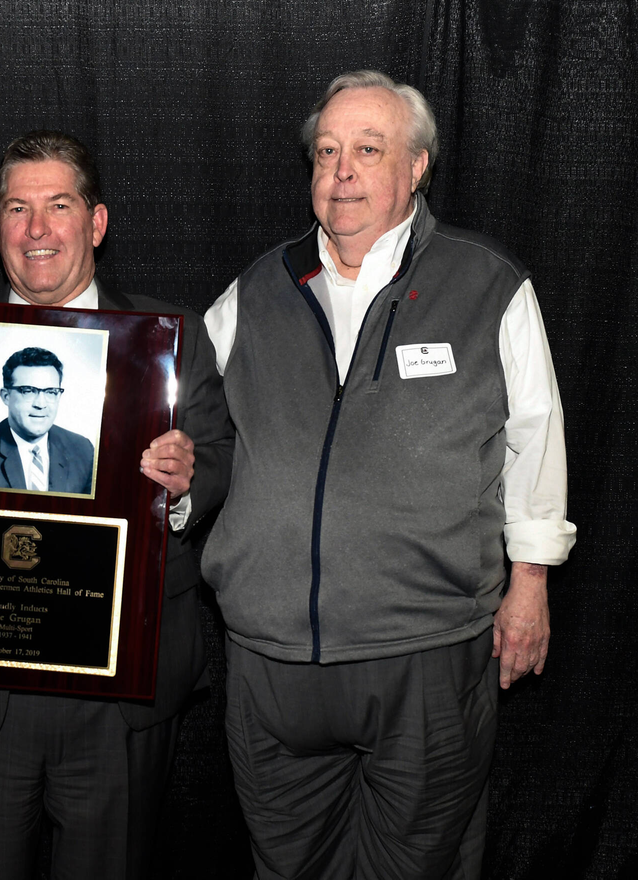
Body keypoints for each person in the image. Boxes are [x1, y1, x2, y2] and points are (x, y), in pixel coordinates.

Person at [202, 70, 576, 879]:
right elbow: (191, 434)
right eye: (328, 151)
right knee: (287, 863)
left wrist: (531, 583)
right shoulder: (253, 291)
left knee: (420, 865)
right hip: (270, 665)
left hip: (425, 652)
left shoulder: (488, 284)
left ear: (416, 168)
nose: (342, 173)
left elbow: (537, 435)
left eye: (368, 151)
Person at [0, 130, 234, 879]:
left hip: (120, 702)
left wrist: (185, 483)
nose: (37, 229)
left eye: (58, 205)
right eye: (18, 208)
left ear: (97, 222)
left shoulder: (171, 339)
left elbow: (218, 460)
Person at [0, 346, 96, 493]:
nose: (40, 404)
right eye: (28, 391)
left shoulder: (83, 450)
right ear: (6, 396)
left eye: (51, 392)